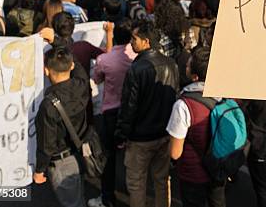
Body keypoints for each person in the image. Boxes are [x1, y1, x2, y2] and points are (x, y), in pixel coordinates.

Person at [115, 21, 179, 207]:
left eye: (134, 39)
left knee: (136, 183)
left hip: (140, 138)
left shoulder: (137, 69)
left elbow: (129, 107)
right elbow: (174, 97)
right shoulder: (171, 64)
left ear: (146, 42)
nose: (131, 42)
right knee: (161, 180)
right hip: (164, 134)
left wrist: (121, 134)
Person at [167, 47, 226, 207]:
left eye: (188, 65)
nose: (185, 67)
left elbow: (175, 152)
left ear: (194, 76)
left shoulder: (183, 105)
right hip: (219, 169)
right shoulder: (224, 98)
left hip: (193, 174)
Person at [88, 19, 137, 207]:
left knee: (108, 156)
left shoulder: (104, 60)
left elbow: (97, 78)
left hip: (111, 113)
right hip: (133, 112)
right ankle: (135, 192)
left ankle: (107, 198)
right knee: (134, 153)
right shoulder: (137, 57)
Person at [34, 47, 88, 207]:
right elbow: (77, 64)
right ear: (70, 66)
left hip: (62, 163)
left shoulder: (48, 105)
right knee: (79, 197)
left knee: (71, 202)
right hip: (81, 152)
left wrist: (39, 170)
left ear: (45, 71)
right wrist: (55, 41)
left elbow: (47, 144)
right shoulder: (82, 84)